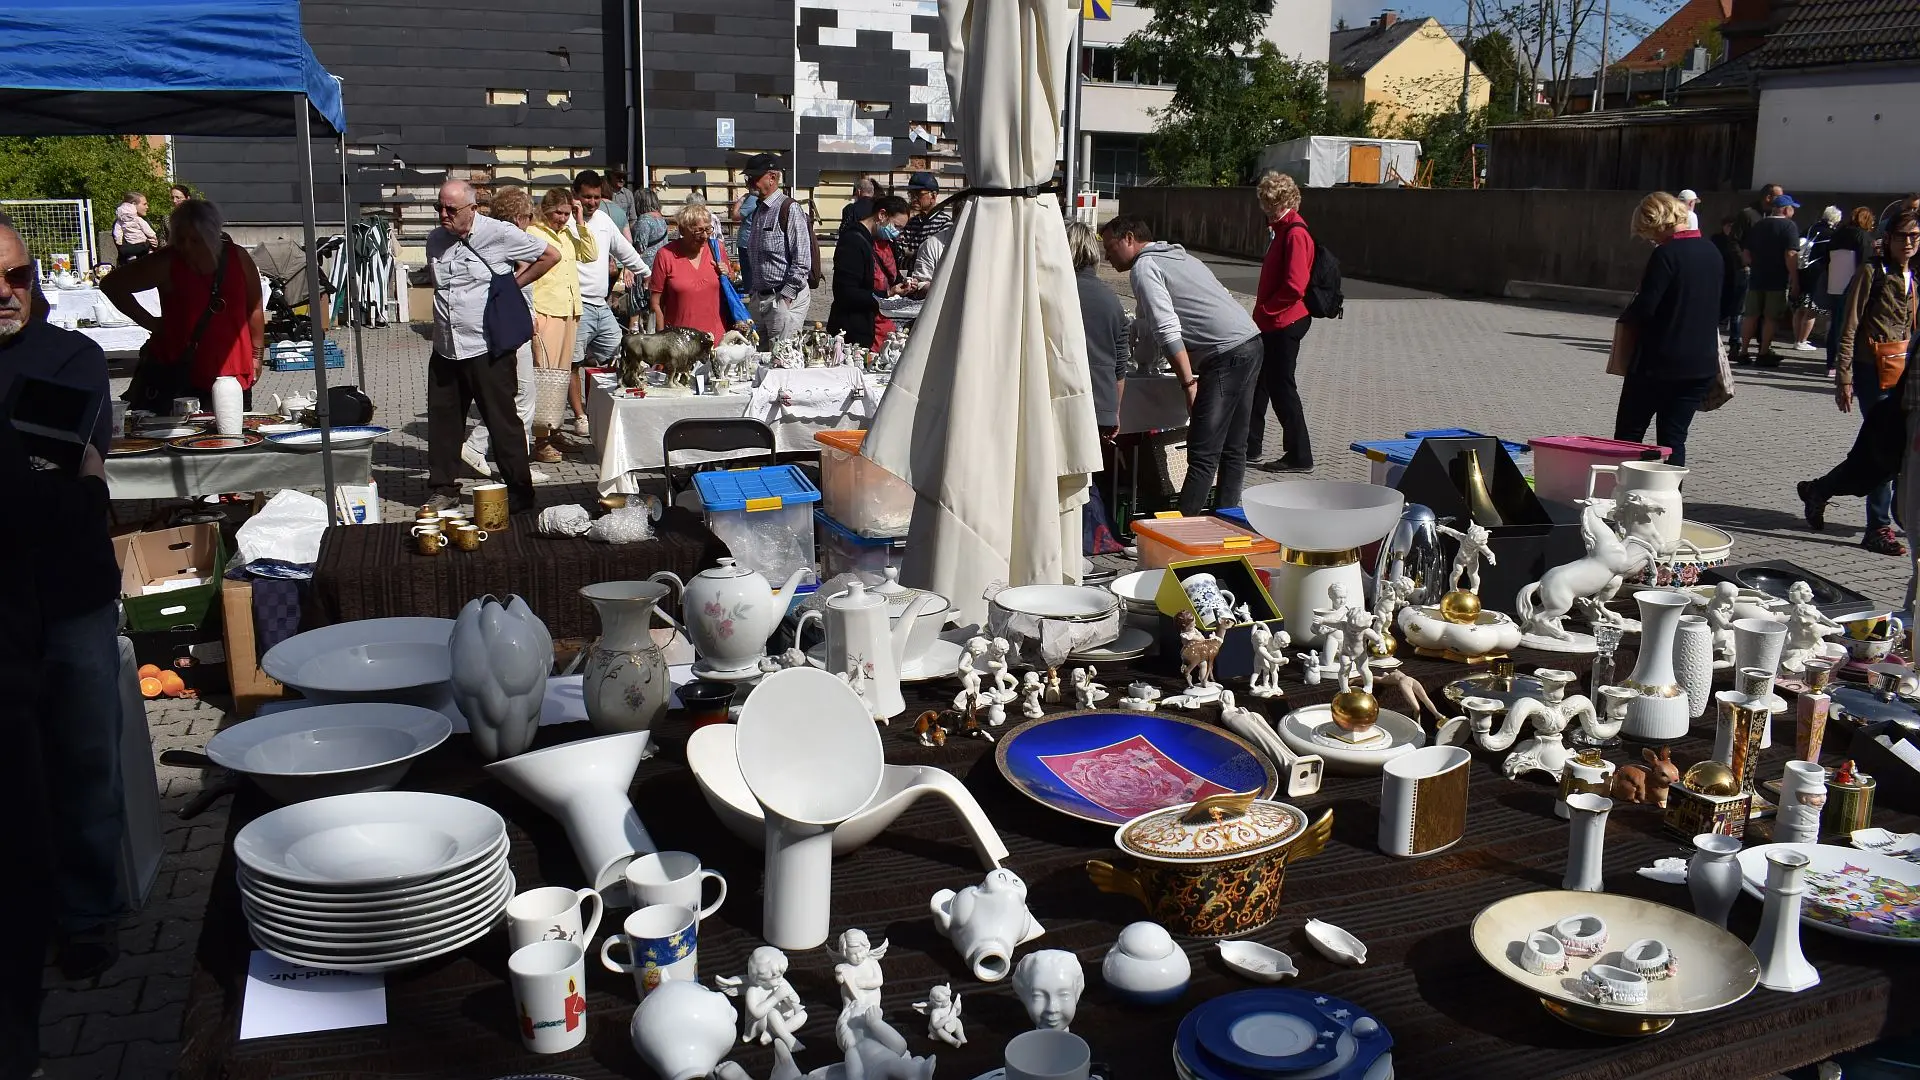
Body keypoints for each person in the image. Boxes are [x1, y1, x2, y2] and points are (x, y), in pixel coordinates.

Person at [0, 222, 128, 1072]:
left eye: (17, 275)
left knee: (84, 755)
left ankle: (87, 915)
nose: (6, 292)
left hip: (71, 592)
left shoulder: (71, 357)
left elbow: (76, 476)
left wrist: (49, 490)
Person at [1099, 215, 1263, 516]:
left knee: (1203, 451)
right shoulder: (1181, 257)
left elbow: (1166, 329)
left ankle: (1184, 527)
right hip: (1250, 342)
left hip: (1225, 354)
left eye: (1110, 247)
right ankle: (1225, 518)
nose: (1107, 257)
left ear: (1129, 238)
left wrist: (1188, 383)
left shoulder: (1145, 267)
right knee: (1233, 446)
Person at [424, 178, 559, 513]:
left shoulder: (499, 233)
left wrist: (513, 285)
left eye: (451, 209)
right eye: (439, 207)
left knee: (503, 422)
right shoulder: (435, 239)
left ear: (472, 208)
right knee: (443, 423)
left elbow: (550, 255)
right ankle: (443, 488)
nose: (443, 214)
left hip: (486, 347)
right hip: (446, 347)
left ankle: (520, 492)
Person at [1802, 212, 1920, 556]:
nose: (1908, 242)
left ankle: (1820, 490)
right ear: (1889, 238)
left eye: (1914, 236)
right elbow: (1849, 323)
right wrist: (1844, 375)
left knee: (1884, 449)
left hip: (1905, 373)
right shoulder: (1872, 271)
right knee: (1885, 449)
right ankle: (1878, 528)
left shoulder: (1913, 274)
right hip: (1873, 372)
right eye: (1902, 236)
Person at [103, 197, 266, 408]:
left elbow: (254, 309)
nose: (187, 246)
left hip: (232, 370)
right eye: (181, 239)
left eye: (196, 239)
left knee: (234, 426)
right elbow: (112, 285)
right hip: (179, 372)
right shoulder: (167, 260)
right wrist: (151, 323)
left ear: (211, 235)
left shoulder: (238, 257)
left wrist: (257, 356)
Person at [1612, 191, 1724, 468]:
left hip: (1658, 362)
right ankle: (1670, 493)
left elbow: (1646, 307)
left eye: (1648, 232)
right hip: (1700, 363)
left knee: (1628, 435)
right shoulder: (1712, 251)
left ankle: (1625, 489)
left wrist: (1626, 318)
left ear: (1657, 222)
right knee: (1674, 439)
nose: (1650, 239)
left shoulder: (1666, 254)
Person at [459, 187, 549, 483]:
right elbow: (526, 273)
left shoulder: (488, 235)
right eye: (529, 216)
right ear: (521, 216)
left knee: (511, 394)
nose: (530, 222)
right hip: (512, 327)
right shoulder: (513, 240)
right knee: (522, 396)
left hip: (496, 326)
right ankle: (487, 450)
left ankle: (501, 456)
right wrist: (528, 312)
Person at [566, 170, 650, 444]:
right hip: (575, 305)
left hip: (601, 306)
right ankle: (580, 416)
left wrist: (645, 271)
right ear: (575, 195)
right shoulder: (565, 221)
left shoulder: (603, 220)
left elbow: (623, 249)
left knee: (623, 352)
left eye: (596, 197)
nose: (591, 202)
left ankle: (614, 404)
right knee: (572, 363)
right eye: (586, 197)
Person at [1245, 170, 1315, 472]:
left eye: (1267, 202)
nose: (1264, 208)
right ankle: (1250, 445)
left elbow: (1295, 286)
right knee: (1261, 383)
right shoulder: (1282, 229)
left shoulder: (1295, 233)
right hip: (1274, 322)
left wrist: (1267, 310)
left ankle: (1300, 455)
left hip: (1284, 322)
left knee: (1282, 388)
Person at [521, 188, 594, 464]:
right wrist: (531, 314)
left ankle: (554, 430)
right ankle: (541, 440)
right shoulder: (534, 233)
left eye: (566, 213)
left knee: (561, 377)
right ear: (546, 210)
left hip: (570, 310)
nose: (562, 218)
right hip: (546, 311)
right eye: (558, 213)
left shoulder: (568, 234)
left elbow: (591, 254)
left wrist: (580, 221)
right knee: (545, 377)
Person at [1067, 220, 1129, 535]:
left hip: (1066, 403)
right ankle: (1095, 535)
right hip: (1101, 405)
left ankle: (1080, 538)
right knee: (1089, 475)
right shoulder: (1112, 300)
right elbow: (1121, 366)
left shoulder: (1055, 293)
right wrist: (1113, 411)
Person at [741, 154, 813, 341]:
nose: (749, 182)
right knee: (756, 353)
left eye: (754, 177)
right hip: (760, 298)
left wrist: (786, 298)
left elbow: (802, 260)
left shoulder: (789, 208)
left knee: (782, 355)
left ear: (772, 178)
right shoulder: (759, 210)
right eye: (748, 177)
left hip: (782, 297)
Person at [650, 202, 729, 344]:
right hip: (679, 343)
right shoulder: (665, 255)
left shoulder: (717, 250)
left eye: (708, 229)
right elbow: (656, 303)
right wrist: (661, 340)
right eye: (698, 231)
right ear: (682, 230)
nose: (704, 236)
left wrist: (727, 274)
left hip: (716, 340)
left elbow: (729, 288)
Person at [1738, 192, 1801, 367]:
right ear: (1786, 210)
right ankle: (1763, 352)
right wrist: (1795, 279)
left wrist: (1756, 265)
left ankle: (1743, 351)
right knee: (1770, 317)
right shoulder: (1789, 227)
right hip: (1777, 279)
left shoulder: (1759, 224)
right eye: (1792, 208)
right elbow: (1790, 254)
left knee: (1750, 315)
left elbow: (1746, 253)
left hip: (1756, 277)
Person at [826, 196, 893, 350]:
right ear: (882, 215)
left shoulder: (869, 239)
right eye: (896, 226)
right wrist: (884, 295)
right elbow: (846, 292)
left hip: (862, 324)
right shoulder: (853, 240)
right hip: (850, 328)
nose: (897, 232)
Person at [1825, 207, 1878, 378]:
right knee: (1849, 326)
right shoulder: (1863, 237)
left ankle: (1830, 362)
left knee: (1835, 324)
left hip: (1834, 284)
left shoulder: (1837, 234)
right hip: (1853, 286)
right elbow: (1866, 263)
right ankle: (1844, 364)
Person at [628, 188, 670, 332]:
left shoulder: (644, 220)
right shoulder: (662, 219)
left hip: (645, 267)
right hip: (660, 265)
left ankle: (634, 333)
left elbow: (640, 247)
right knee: (656, 303)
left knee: (636, 303)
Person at [896, 171, 950, 271]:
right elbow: (898, 259)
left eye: (918, 194)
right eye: (911, 194)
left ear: (933, 196)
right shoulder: (910, 224)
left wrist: (913, 257)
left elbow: (940, 261)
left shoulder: (945, 223)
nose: (913, 199)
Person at [1709, 216, 1746, 352]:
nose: (1730, 229)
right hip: (1721, 277)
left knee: (1736, 311)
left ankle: (1735, 343)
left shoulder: (1739, 240)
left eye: (1733, 226)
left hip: (1736, 277)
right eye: (1728, 225)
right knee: (1719, 309)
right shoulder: (1717, 239)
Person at [111, 191, 158, 262]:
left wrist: (155, 243)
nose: (147, 207)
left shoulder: (144, 219)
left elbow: (153, 236)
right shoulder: (121, 222)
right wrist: (147, 244)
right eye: (144, 204)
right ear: (134, 205)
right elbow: (124, 249)